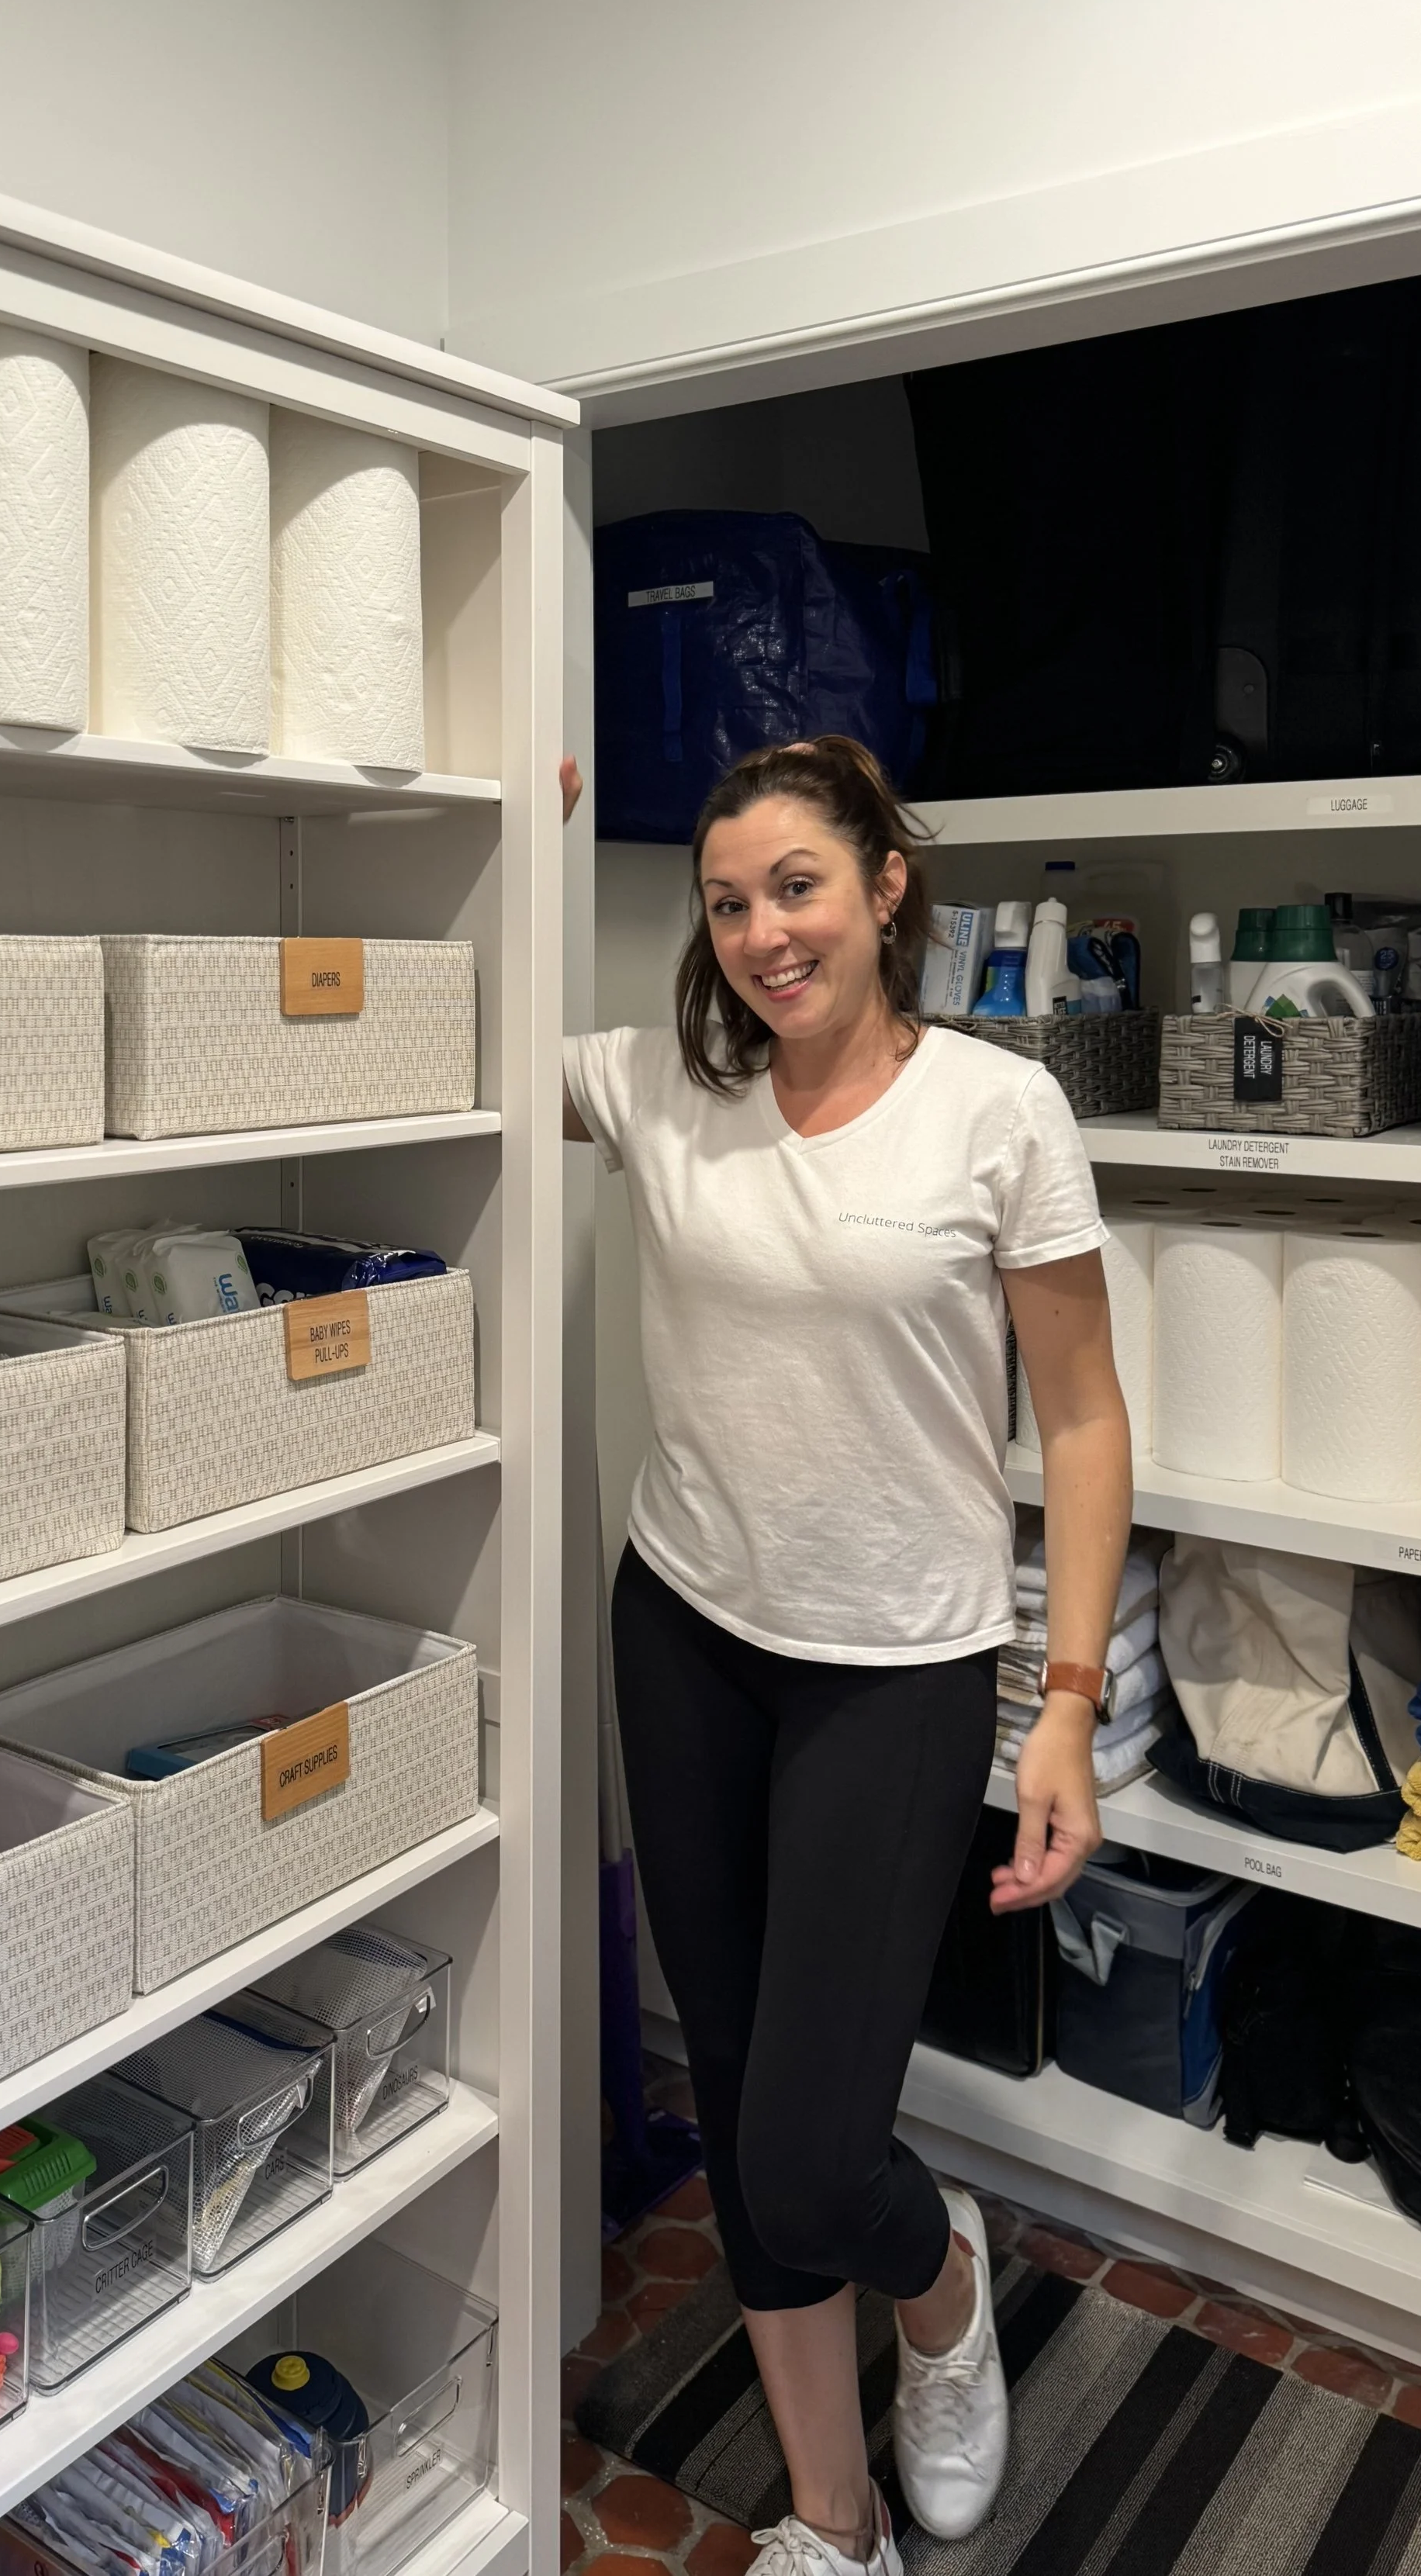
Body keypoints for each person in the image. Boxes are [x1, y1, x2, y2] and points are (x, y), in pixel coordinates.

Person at [561, 738, 1131, 2576]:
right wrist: (513, 799)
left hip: (892, 1669)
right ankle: (834, 2516)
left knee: (812, 2156)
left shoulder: (994, 1109)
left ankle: (939, 2279)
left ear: (885, 885)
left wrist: (1063, 1706)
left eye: (795, 886)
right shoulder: (657, 1083)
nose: (760, 934)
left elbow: (1083, 1420)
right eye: (726, 901)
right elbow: (446, 1036)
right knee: (738, 2102)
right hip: (683, 1634)